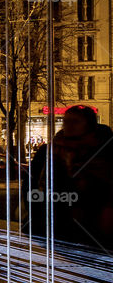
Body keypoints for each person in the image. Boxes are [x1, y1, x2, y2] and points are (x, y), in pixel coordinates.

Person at [29, 105, 113, 245]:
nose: (69, 126)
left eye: (75, 121)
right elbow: (32, 183)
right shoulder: (49, 150)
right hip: (54, 223)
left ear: (89, 125)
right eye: (66, 121)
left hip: (95, 225)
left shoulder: (103, 151)